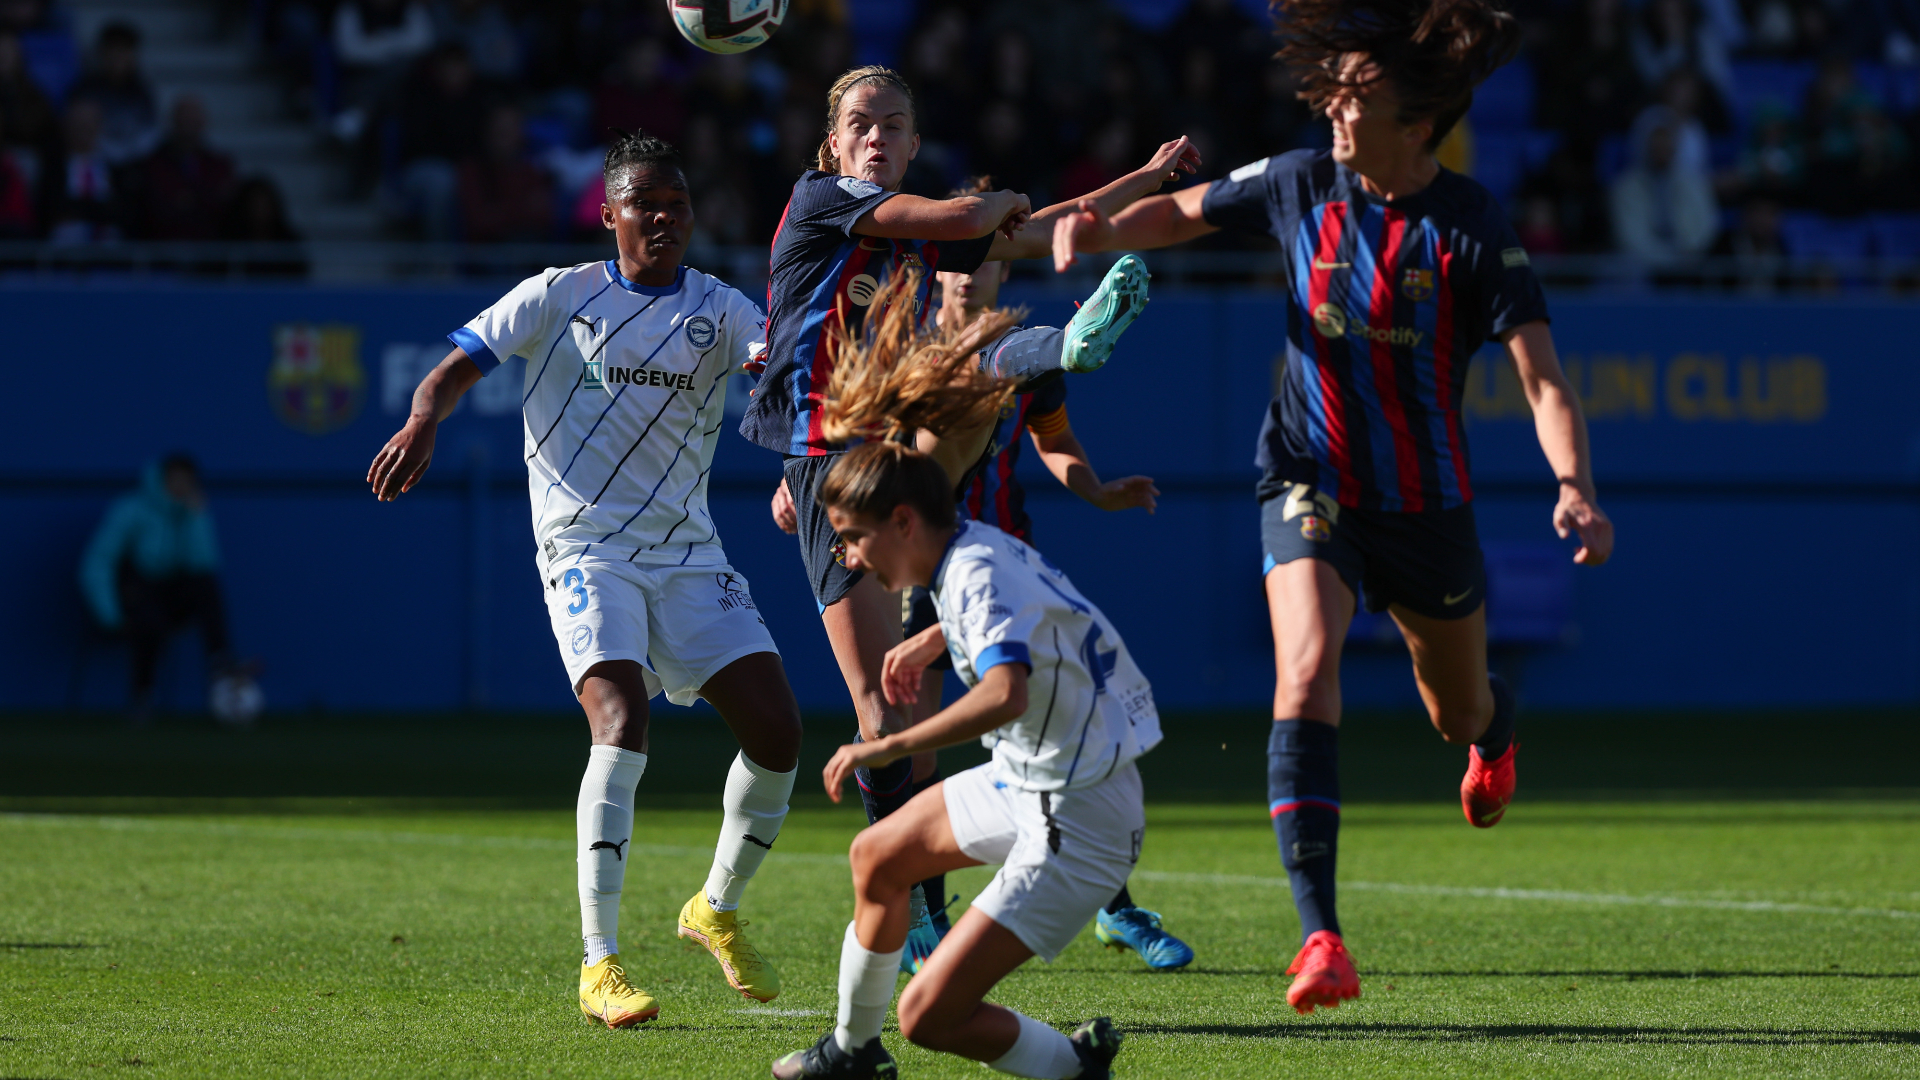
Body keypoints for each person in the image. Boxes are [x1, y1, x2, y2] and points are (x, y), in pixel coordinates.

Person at [1054, 0, 1615, 1014]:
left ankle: (1496, 727)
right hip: (1305, 476)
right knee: (1305, 672)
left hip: (1426, 508)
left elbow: (1543, 383)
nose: (1334, 114)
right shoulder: (1298, 180)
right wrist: (1094, 229)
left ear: (1417, 121)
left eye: (1357, 100)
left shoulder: (1472, 228)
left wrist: (1574, 488)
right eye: (1333, 95)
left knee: (1458, 713)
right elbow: (1177, 215)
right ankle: (1322, 937)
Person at [736, 65, 1193, 927]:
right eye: (862, 124)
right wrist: (999, 201)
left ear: (913, 142)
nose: (877, 137)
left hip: (884, 440)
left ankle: (1053, 350)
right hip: (828, 463)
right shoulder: (822, 200)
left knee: (968, 378)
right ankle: (918, 915)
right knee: (880, 707)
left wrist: (1144, 179)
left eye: (895, 125)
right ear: (831, 144)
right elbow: (977, 215)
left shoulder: (914, 239)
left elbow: (1056, 228)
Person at [366, 130, 803, 1028]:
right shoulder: (560, 295)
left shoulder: (721, 309)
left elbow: (779, 377)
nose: (665, 219)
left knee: (780, 733)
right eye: (647, 204)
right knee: (621, 717)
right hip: (585, 549)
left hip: (689, 553)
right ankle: (600, 963)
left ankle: (714, 908)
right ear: (609, 215)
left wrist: (801, 451)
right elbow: (454, 368)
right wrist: (422, 421)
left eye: (678, 205)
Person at [772, 439, 1161, 1080]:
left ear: (903, 522)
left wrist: (891, 743)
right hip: (1034, 778)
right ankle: (852, 1054)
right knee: (877, 856)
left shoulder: (972, 571)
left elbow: (1006, 693)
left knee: (927, 1016)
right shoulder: (974, 542)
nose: (847, 555)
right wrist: (934, 637)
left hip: (1079, 821)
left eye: (853, 535)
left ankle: (1074, 1066)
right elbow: (1030, 612)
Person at [79, 454, 234, 724]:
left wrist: (196, 518)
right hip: (136, 595)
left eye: (187, 481)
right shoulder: (130, 509)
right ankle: (142, 697)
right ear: (162, 479)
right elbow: (97, 562)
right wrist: (109, 614)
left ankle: (220, 662)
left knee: (205, 584)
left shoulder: (192, 510)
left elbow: (203, 563)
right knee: (149, 623)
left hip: (173, 596)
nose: (181, 486)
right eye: (175, 479)